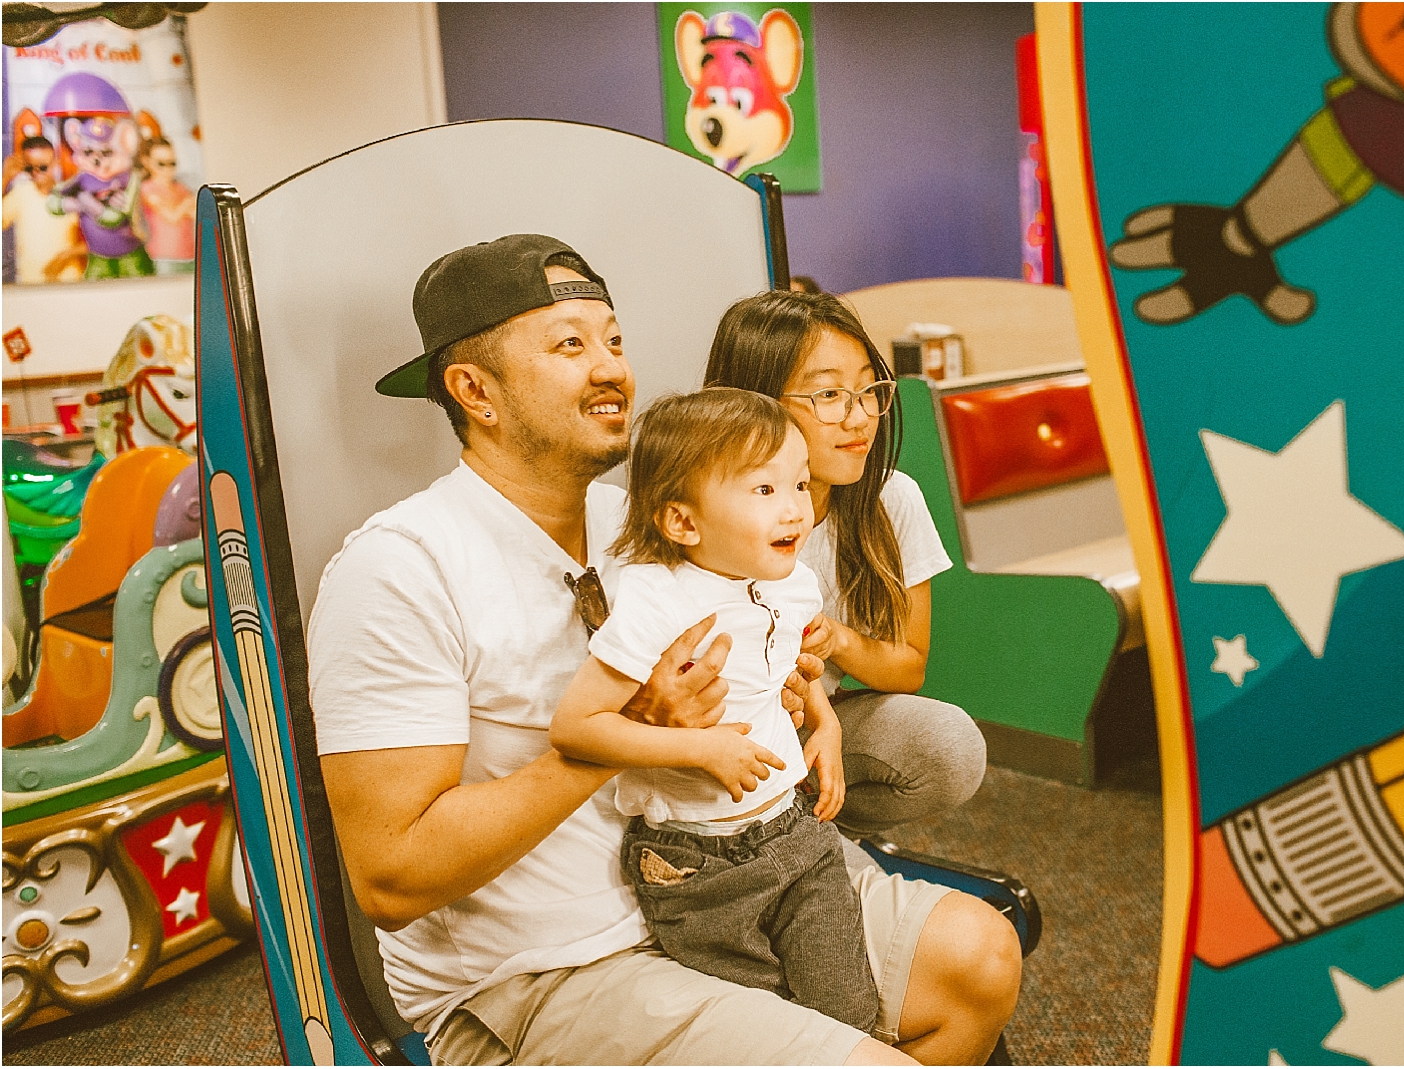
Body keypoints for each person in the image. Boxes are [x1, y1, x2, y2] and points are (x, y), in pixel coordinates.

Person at [310, 234, 1020, 1065]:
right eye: (569, 344)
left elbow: (771, 649)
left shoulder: (646, 523)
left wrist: (796, 697)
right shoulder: (398, 567)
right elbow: (392, 877)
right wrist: (635, 729)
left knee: (982, 959)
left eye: (613, 339)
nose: (611, 366)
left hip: (723, 873)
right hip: (548, 972)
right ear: (475, 390)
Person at [550, 388, 875, 1030]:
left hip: (794, 830)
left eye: (800, 485)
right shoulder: (658, 601)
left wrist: (826, 720)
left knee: (850, 1014)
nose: (795, 510)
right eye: (764, 491)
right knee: (766, 1030)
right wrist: (701, 748)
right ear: (683, 523)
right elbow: (577, 727)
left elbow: (784, 661)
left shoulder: (791, 579)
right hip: (696, 862)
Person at [704, 290, 987, 839]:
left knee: (948, 747)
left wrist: (835, 640)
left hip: (821, 716)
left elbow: (908, 667)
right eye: (830, 394)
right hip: (722, 731)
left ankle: (818, 829)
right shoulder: (711, 511)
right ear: (753, 400)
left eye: (868, 391)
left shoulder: (892, 500)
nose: (859, 418)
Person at [2, 136, 83, 283]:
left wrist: (67, 255)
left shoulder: (70, 194)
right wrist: (5, 178)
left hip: (69, 284)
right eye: (29, 168)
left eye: (43, 167)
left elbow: (97, 242)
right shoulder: (21, 193)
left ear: (55, 163)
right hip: (32, 285)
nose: (36, 173)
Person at [136, 137, 196, 275]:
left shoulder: (181, 188)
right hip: (165, 258)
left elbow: (194, 214)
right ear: (147, 162)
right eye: (161, 164)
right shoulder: (147, 188)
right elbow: (172, 217)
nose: (168, 168)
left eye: (172, 163)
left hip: (190, 254)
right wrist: (185, 204)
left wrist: (179, 207)